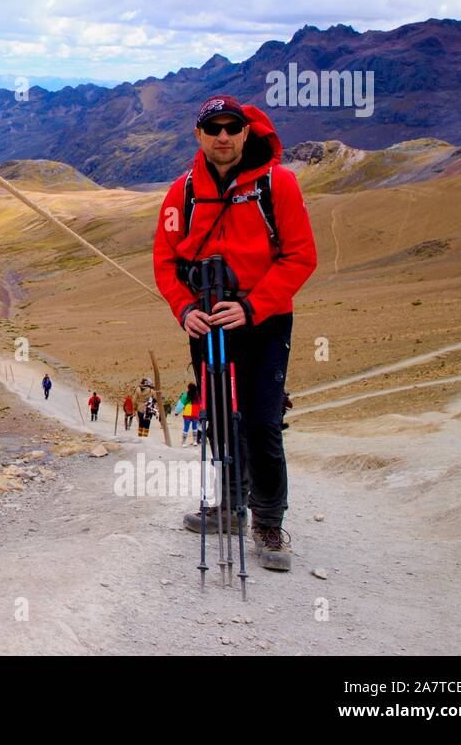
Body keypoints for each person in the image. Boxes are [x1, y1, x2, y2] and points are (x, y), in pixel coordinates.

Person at [153, 95, 318, 571]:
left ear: (246, 132)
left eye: (232, 128)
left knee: (263, 421)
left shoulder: (277, 185)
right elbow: (165, 261)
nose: (223, 136)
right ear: (199, 136)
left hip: (265, 322)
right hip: (205, 323)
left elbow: (301, 256)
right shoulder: (181, 193)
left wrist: (252, 306)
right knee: (220, 420)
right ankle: (229, 508)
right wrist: (184, 308)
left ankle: (267, 521)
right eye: (213, 128)